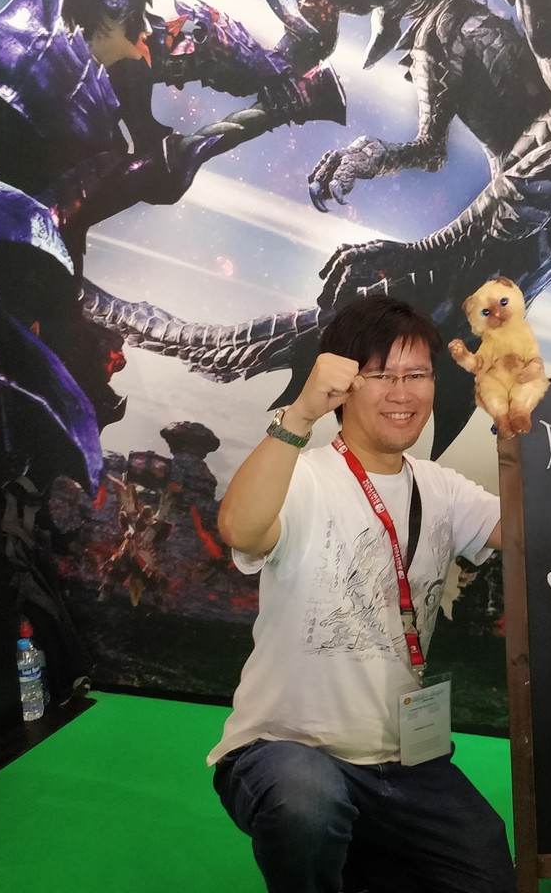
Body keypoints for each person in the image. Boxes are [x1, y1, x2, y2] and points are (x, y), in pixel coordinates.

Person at [209, 295, 515, 893]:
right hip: (286, 750)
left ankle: (363, 860)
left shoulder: (442, 489)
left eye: (418, 374)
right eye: (381, 375)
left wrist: (522, 420)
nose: (403, 393)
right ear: (345, 382)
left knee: (486, 867)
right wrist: (300, 414)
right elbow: (240, 530)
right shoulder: (302, 474)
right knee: (306, 802)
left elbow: (533, 530)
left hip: (405, 762)